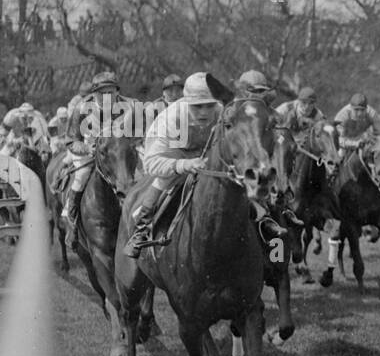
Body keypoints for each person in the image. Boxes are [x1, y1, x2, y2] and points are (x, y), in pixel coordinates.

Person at [123, 72, 284, 258]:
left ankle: (264, 219)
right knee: (163, 181)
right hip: (177, 156)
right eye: (197, 107)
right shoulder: (170, 119)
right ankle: (140, 230)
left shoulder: (222, 110)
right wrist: (184, 165)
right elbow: (151, 164)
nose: (204, 112)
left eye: (209, 106)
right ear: (186, 102)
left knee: (242, 179)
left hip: (208, 155)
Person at [60, 70, 136, 227]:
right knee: (81, 175)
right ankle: (71, 217)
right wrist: (88, 149)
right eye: (102, 94)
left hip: (117, 152)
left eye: (110, 92)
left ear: (117, 91)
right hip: (89, 150)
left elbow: (139, 134)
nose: (107, 97)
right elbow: (71, 141)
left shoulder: (129, 107)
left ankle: (144, 219)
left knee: (141, 175)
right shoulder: (81, 108)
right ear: (94, 94)